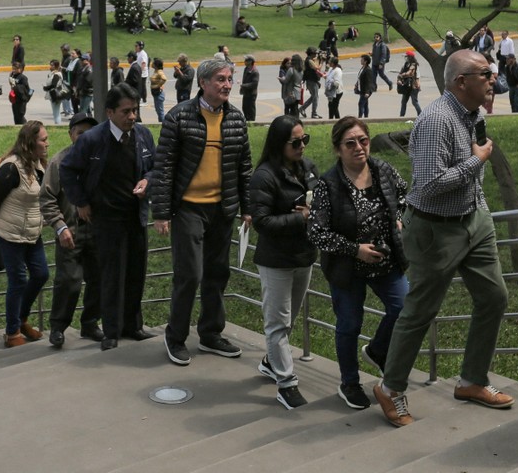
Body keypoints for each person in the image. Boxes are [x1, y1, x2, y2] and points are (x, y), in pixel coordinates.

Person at [373, 50, 511, 428]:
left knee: (494, 296)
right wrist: (477, 161)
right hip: (434, 228)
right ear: (460, 82)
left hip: (474, 222)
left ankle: (472, 380)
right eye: (485, 73)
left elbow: (469, 169)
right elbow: (430, 185)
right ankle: (390, 388)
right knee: (420, 311)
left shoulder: (473, 114)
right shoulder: (436, 121)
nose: (492, 77)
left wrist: (479, 205)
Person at [150, 57, 252, 366]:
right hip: (189, 209)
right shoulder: (178, 117)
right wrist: (162, 212)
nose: (226, 84)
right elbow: (164, 167)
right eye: (220, 79)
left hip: (222, 209)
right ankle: (176, 337)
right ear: (203, 83)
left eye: (229, 79)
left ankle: (210, 334)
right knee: (190, 274)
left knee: (217, 274)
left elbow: (244, 167)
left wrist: (247, 207)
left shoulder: (236, 118)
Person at [310, 115, 409, 410]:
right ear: (338, 149)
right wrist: (355, 250)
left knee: (406, 307)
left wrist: (400, 218)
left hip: (385, 261)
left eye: (363, 141)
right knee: (349, 324)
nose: (359, 148)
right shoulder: (328, 185)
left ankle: (379, 351)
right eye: (350, 143)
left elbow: (404, 195)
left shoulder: (383, 170)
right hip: (347, 267)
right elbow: (317, 232)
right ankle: (349, 383)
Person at [62, 87, 157, 350]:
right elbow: (68, 171)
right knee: (112, 275)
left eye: (135, 110)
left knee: (136, 272)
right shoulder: (92, 140)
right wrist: (80, 201)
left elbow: (156, 167)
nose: (132, 116)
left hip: (135, 216)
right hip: (106, 219)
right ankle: (111, 331)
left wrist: (147, 180)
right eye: (126, 111)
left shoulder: (143, 136)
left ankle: (133, 325)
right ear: (110, 112)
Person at [248, 116, 320, 410]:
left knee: (287, 321)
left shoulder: (309, 169)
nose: (302, 146)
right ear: (280, 144)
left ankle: (271, 361)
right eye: (295, 142)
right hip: (276, 260)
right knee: (277, 323)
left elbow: (323, 203)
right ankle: (286, 384)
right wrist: (300, 217)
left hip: (304, 256)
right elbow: (262, 222)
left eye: (305, 140)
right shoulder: (264, 176)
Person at [40, 115, 103, 348]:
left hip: (97, 232)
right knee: (69, 281)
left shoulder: (100, 159)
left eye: (90, 133)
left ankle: (90, 323)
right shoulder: (59, 162)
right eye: (80, 133)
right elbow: (46, 198)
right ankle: (58, 327)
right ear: (70, 134)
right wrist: (59, 226)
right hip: (70, 232)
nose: (85, 138)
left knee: (98, 279)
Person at [0, 121, 50, 347]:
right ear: (30, 141)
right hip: (10, 234)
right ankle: (12, 332)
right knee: (18, 280)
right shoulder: (10, 168)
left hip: (33, 232)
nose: (47, 143)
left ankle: (21, 319)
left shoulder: (38, 164)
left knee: (41, 274)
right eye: (43, 139)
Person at [396, 51, 422, 117]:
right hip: (406, 85)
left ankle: (421, 115)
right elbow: (400, 73)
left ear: (410, 57)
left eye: (406, 56)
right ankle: (401, 116)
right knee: (403, 102)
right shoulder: (405, 64)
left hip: (414, 86)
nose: (406, 58)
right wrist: (399, 79)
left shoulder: (414, 65)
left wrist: (402, 75)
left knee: (414, 102)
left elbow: (409, 73)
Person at [44, 59, 68, 125]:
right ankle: (57, 123)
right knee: (55, 112)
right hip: (53, 94)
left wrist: (45, 88)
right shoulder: (53, 74)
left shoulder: (56, 74)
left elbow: (53, 85)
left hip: (55, 95)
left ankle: (58, 124)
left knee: (56, 112)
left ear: (55, 66)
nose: (50, 67)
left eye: (52, 65)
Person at [303, 48, 322, 119]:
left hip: (312, 81)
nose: (316, 55)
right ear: (311, 54)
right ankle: (314, 113)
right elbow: (317, 68)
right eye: (315, 53)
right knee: (315, 97)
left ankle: (302, 108)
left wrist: (319, 59)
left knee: (313, 97)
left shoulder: (310, 60)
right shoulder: (309, 61)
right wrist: (322, 61)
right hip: (311, 81)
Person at [8, 61, 30, 125]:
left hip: (21, 99)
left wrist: (16, 86)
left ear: (20, 69)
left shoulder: (23, 77)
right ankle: (17, 126)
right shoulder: (13, 75)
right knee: (15, 115)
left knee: (20, 114)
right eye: (13, 69)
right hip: (15, 99)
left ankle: (25, 126)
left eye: (15, 69)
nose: (14, 70)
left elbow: (24, 88)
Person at [239, 55, 259, 123]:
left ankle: (252, 122)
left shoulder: (255, 72)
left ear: (250, 61)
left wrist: (243, 86)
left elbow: (254, 84)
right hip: (246, 92)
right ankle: (247, 120)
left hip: (251, 93)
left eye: (246, 60)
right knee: (245, 107)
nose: (244, 62)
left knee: (251, 109)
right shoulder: (246, 69)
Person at [355, 54, 375, 119]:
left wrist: (367, 92)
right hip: (362, 90)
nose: (360, 60)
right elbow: (359, 78)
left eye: (362, 59)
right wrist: (356, 85)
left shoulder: (368, 70)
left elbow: (369, 82)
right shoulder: (362, 68)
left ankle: (360, 117)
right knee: (365, 104)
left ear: (365, 61)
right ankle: (366, 117)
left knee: (361, 103)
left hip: (366, 91)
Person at [150, 58, 168, 123]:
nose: (152, 63)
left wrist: (158, 86)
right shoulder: (156, 71)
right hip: (155, 94)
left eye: (153, 63)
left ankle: (163, 124)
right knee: (158, 111)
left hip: (158, 94)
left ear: (156, 65)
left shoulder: (159, 72)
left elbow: (164, 79)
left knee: (160, 112)